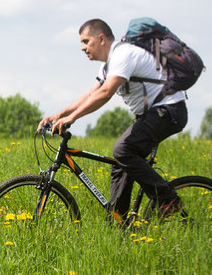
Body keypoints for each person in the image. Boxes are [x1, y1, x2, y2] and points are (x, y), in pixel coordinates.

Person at [37, 18, 188, 221]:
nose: (82, 48)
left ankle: (168, 199)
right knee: (121, 161)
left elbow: (106, 92)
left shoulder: (123, 54)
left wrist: (71, 119)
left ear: (101, 39)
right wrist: (59, 115)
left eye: (85, 41)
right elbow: (91, 94)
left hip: (169, 111)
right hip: (154, 114)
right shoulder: (107, 66)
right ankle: (119, 221)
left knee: (123, 150)